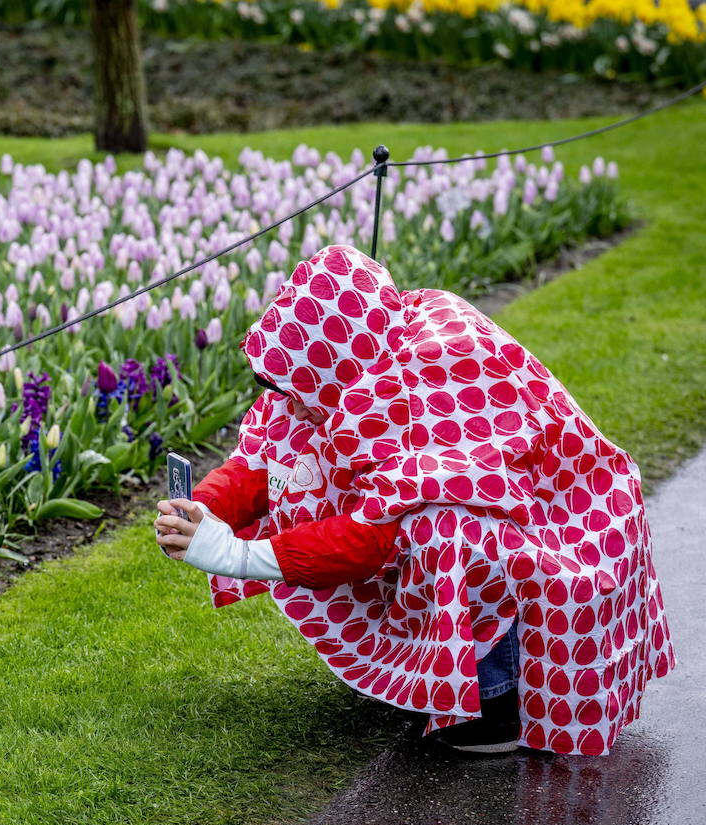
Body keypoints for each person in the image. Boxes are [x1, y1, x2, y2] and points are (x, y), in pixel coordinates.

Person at [154, 244, 673, 755]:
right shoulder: (341, 371)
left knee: (444, 532)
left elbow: (374, 537)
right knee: (418, 521)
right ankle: (436, 673)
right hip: (523, 510)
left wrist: (237, 555)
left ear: (333, 362)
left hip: (567, 522)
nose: (288, 405)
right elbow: (267, 463)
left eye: (297, 392)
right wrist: (202, 508)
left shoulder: (428, 371)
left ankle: (495, 696)